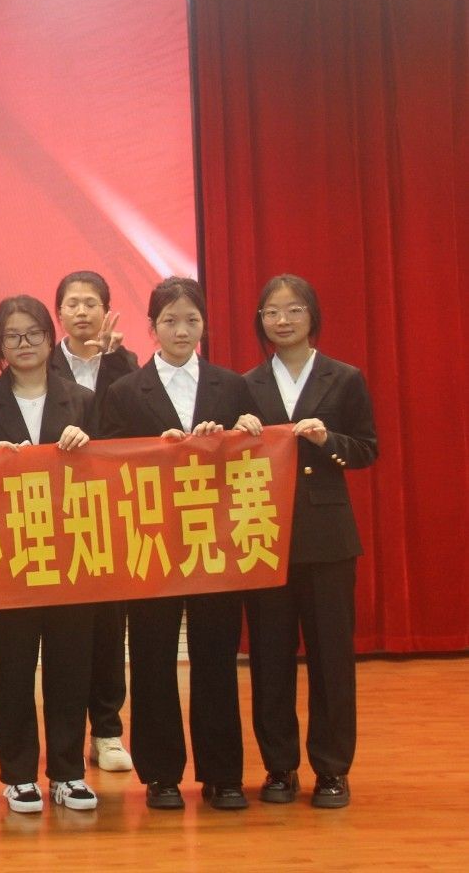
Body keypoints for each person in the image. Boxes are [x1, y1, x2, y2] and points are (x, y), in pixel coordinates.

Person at [97, 276, 257, 812]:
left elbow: (253, 457)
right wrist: (154, 449)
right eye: (170, 321)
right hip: (152, 541)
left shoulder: (232, 386)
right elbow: (109, 463)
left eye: (191, 320)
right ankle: (162, 775)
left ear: (204, 324)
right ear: (152, 327)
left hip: (216, 541)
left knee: (215, 658)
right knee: (152, 659)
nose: (181, 330)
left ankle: (223, 774)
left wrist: (242, 431)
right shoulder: (124, 392)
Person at [239, 274, 377, 809]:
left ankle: (332, 769)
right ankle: (279, 768)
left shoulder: (344, 377)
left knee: (331, 659)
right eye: (272, 312)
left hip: (327, 540)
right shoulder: (246, 385)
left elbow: (366, 448)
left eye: (294, 310)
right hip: (264, 537)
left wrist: (328, 440)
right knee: (270, 658)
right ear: (261, 321)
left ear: (312, 315)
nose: (283, 320)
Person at [0, 296, 98, 814]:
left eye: (33, 333)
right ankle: (18, 775)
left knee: (69, 667)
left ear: (49, 336)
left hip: (70, 555)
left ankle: (68, 772)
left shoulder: (82, 400)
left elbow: (110, 473)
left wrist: (88, 446)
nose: (24, 344)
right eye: (12, 336)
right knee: (13, 669)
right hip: (8, 558)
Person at [50, 270, 139, 774]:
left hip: (109, 511)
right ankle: (63, 736)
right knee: (65, 631)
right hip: (52, 513)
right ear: (58, 313)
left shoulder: (126, 363)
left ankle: (107, 731)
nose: (82, 312)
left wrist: (112, 362)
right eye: (72, 304)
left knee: (108, 625)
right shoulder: (39, 363)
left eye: (91, 303)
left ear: (106, 310)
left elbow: (125, 428)